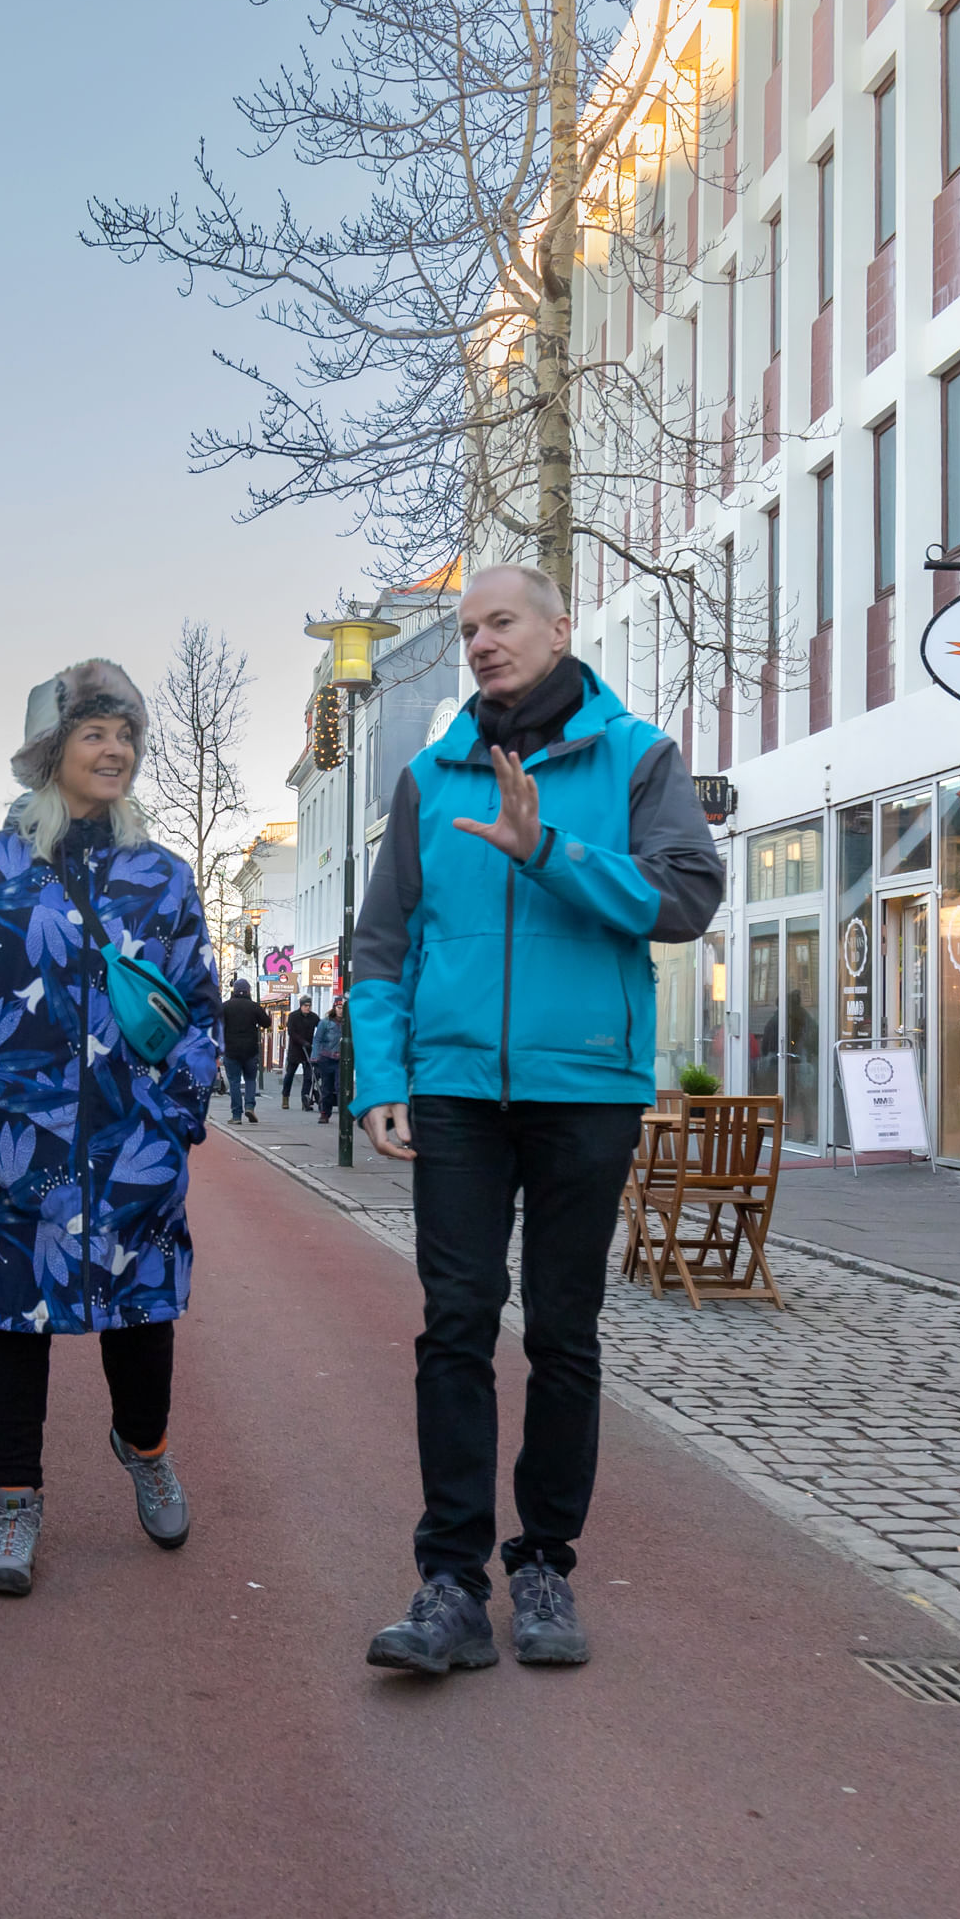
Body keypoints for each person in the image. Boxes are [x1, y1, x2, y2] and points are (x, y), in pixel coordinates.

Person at [349, 564, 722, 1675]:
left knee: (564, 1333)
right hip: (457, 1091)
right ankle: (450, 1583)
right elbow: (379, 948)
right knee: (454, 1324)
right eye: (468, 629)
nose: (481, 643)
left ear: (562, 627)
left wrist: (549, 851)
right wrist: (381, 1078)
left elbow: (688, 898)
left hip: (585, 1089)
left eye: (500, 621)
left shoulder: (639, 758)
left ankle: (546, 1561)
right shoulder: (428, 777)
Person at [0, 661, 220, 1598]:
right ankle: (13, 1506)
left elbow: (199, 1009)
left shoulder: (161, 878)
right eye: (94, 733)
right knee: (10, 1327)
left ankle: (146, 1444)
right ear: (52, 752)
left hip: (131, 1147)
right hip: (10, 1149)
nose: (115, 750)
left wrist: (171, 1120)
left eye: (125, 735)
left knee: (143, 1325)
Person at [218, 978, 269, 1125]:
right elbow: (266, 1023)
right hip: (250, 1050)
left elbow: (218, 1027)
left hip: (231, 1050)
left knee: (234, 1082)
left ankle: (236, 1116)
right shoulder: (254, 1006)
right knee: (250, 1080)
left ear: (234, 990)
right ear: (248, 991)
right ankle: (250, 1106)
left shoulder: (225, 1006)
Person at [281, 997, 320, 1111]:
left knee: (308, 1076)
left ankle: (305, 1099)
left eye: (309, 1006)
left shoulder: (314, 1017)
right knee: (289, 1075)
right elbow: (291, 1032)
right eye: (305, 1006)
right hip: (295, 1050)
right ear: (301, 1006)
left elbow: (321, 1027)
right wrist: (302, 1042)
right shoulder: (293, 1016)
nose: (308, 1008)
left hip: (308, 1050)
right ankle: (285, 1097)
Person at [307, 1006, 341, 1120]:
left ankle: (345, 1113)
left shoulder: (349, 1023)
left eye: (343, 1008)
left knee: (340, 1085)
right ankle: (325, 1113)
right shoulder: (325, 1023)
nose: (341, 1011)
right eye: (339, 1008)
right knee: (327, 1087)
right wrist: (315, 1056)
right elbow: (317, 1039)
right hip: (326, 1058)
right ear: (334, 1008)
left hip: (342, 1060)